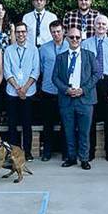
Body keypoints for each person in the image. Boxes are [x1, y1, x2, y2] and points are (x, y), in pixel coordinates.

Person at [52, 27, 97, 170]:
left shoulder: (89, 55)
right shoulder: (61, 57)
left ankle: (84, 158)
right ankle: (71, 157)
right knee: (68, 131)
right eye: (72, 37)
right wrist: (66, 90)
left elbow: (96, 74)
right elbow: (55, 77)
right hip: (67, 99)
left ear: (81, 39)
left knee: (84, 132)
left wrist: (83, 90)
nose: (75, 40)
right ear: (67, 38)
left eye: (77, 37)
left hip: (85, 99)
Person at [82, 15, 108, 162]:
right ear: (94, 25)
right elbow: (84, 68)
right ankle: (90, 151)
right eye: (98, 23)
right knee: (90, 119)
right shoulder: (85, 43)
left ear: (107, 26)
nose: (101, 26)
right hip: (91, 84)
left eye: (104, 24)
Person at [3, 22, 40, 158]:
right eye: (18, 32)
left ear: (27, 33)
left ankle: (28, 152)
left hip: (29, 92)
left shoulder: (34, 49)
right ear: (15, 34)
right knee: (12, 125)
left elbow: (36, 71)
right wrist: (18, 88)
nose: (20, 34)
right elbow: (7, 72)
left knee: (27, 124)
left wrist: (24, 88)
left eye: (23, 31)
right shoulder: (8, 50)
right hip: (12, 92)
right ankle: (14, 152)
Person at [37, 20, 68, 161]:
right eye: (53, 32)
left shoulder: (70, 46)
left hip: (65, 91)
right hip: (48, 90)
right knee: (47, 124)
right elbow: (42, 69)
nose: (56, 34)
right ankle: (47, 152)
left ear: (63, 31)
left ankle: (65, 152)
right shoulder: (43, 48)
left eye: (58, 31)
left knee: (65, 123)